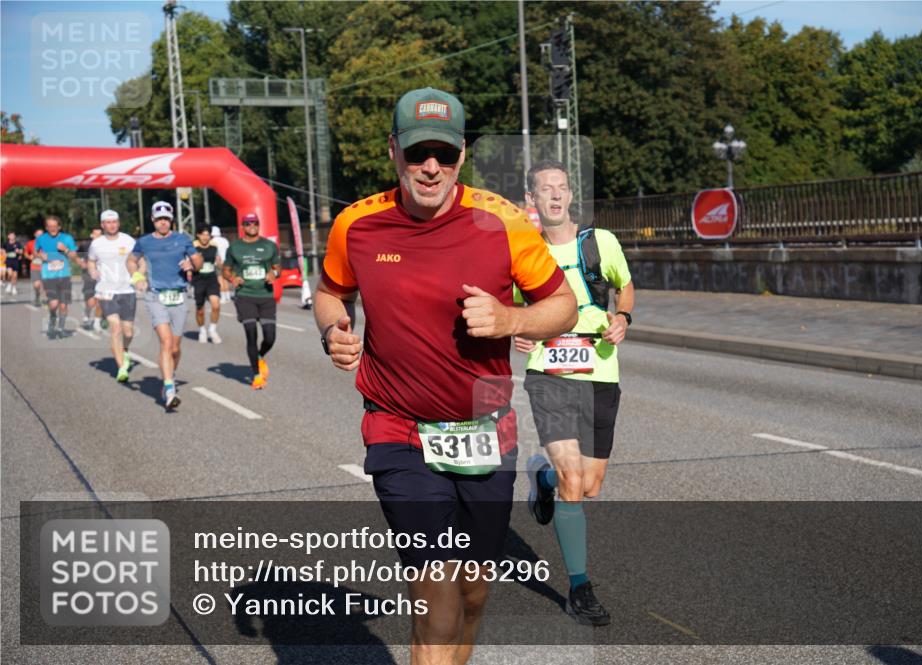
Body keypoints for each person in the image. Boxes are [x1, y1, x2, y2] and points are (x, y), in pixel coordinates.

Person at [315, 87, 577, 665]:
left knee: (472, 592)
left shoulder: (503, 222)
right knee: (436, 598)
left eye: (443, 153)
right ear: (394, 151)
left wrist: (511, 318)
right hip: (398, 430)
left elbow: (563, 306)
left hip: (485, 428)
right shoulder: (357, 225)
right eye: (416, 153)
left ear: (462, 154)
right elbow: (331, 290)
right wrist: (334, 328)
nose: (430, 167)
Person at [514, 160, 634, 627]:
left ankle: (541, 480)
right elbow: (510, 306)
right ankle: (579, 588)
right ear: (533, 199)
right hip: (548, 371)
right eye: (546, 189)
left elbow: (625, 287)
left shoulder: (599, 243)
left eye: (561, 188)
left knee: (589, 485)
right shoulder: (524, 249)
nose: (555, 195)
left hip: (599, 368)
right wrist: (518, 330)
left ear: (570, 195)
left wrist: (623, 318)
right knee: (572, 479)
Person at [127, 201, 202, 410]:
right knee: (166, 342)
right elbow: (131, 261)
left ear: (171, 220)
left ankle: (171, 374)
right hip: (155, 295)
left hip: (179, 295)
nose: (163, 222)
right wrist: (137, 277)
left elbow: (198, 261)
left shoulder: (182, 239)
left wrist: (192, 264)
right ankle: (169, 389)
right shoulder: (144, 242)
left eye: (166, 219)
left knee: (175, 348)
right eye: (159, 219)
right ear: (153, 219)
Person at [223, 213, 279, 389]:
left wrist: (274, 274)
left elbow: (278, 268)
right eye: (248, 223)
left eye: (255, 222)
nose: (252, 226)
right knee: (251, 333)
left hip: (265, 296)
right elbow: (226, 270)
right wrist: (232, 278)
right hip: (245, 296)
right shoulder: (234, 247)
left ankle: (259, 356)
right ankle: (256, 375)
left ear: (259, 224)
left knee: (270, 337)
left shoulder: (269, 246)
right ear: (243, 226)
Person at [88, 210, 136, 382]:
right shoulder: (96, 244)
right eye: (108, 222)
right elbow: (91, 261)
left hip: (127, 290)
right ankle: (121, 368)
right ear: (102, 225)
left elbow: (139, 259)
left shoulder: (128, 240)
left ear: (119, 223)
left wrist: (140, 276)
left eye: (114, 221)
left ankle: (125, 350)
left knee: (128, 331)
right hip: (105, 290)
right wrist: (93, 271)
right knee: (115, 328)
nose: (112, 225)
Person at [35, 215, 79, 339]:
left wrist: (65, 249)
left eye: (55, 226)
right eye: (50, 226)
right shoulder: (41, 239)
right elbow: (35, 251)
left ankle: (61, 329)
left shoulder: (67, 238)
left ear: (59, 226)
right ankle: (52, 317)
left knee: (64, 304)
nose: (52, 229)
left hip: (64, 276)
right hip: (48, 276)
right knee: (53, 304)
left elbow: (74, 256)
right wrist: (40, 256)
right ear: (46, 227)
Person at [192, 224, 223, 344]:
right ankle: (202, 330)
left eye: (207, 235)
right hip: (198, 279)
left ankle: (212, 330)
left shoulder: (214, 246)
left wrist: (220, 264)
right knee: (200, 310)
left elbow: (218, 262)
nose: (205, 237)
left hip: (211, 278)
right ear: (198, 235)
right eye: (202, 234)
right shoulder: (193, 246)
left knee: (216, 305)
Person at [78, 228, 102, 330]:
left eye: (100, 234)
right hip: (89, 274)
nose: (98, 237)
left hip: (103, 275)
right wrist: (81, 262)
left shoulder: (106, 245)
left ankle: (97, 321)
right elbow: (77, 254)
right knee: (91, 301)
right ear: (92, 235)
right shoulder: (86, 245)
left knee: (101, 299)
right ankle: (87, 313)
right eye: (96, 234)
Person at [211, 226, 232, 303]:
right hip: (226, 261)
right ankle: (228, 297)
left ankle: (223, 297)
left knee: (219, 280)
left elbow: (215, 253)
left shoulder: (212, 241)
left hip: (218, 262)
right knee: (225, 279)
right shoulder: (225, 240)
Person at [25, 228, 44, 307]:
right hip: (35, 266)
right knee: (36, 285)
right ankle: (37, 296)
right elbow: (26, 253)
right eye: (38, 234)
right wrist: (30, 257)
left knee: (43, 285)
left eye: (42, 234)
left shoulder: (47, 243)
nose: (40, 236)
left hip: (45, 266)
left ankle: (42, 299)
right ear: (35, 235)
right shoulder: (30, 243)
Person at [3, 231, 23, 296]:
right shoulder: (5, 244)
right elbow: (2, 250)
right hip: (8, 260)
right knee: (10, 274)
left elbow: (21, 251)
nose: (12, 236)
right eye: (11, 235)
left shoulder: (18, 243)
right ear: (8, 236)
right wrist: (4, 254)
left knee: (15, 276)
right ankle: (9, 284)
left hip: (15, 260)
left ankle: (14, 288)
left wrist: (18, 251)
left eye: (13, 235)